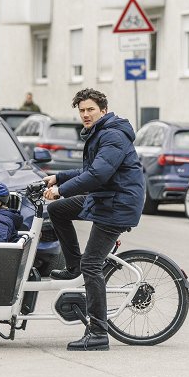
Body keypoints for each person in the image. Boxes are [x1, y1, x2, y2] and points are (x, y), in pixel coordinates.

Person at [43, 88, 144, 352]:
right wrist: (58, 178)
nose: (86, 114)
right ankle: (72, 265)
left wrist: (61, 190)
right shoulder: (100, 132)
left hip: (117, 204)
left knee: (92, 264)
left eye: (90, 109)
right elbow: (91, 171)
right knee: (58, 211)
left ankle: (98, 332)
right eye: (82, 110)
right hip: (105, 198)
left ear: (103, 110)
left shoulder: (112, 135)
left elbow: (98, 174)